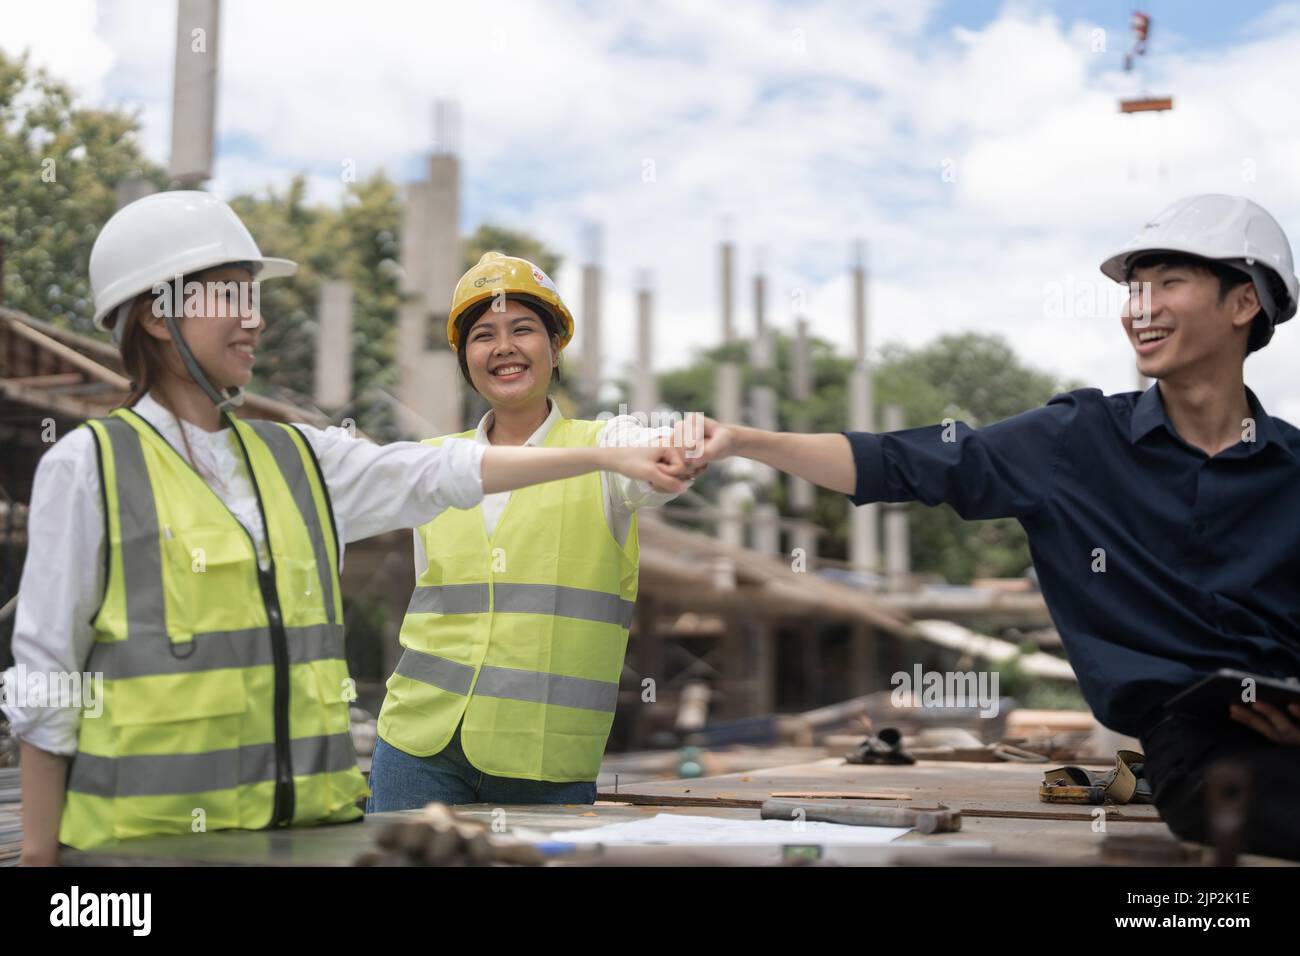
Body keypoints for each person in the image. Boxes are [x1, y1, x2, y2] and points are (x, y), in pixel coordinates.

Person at [1, 193, 687, 864]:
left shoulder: (301, 459)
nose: (256, 322)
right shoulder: (88, 468)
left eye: (255, 301)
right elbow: (45, 677)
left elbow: (436, 472)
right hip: (143, 843)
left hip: (299, 833)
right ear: (159, 316)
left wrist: (607, 452)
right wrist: (38, 854)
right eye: (234, 298)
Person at [687, 194, 1300, 861]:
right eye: (1135, 290)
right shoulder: (1074, 443)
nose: (1139, 309)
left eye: (1169, 285)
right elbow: (896, 463)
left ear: (1243, 304)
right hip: (1202, 751)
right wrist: (743, 440)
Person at [367, 252, 705, 810]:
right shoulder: (432, 463)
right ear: (464, 358)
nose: (503, 346)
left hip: (543, 758)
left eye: (522, 329)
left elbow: (649, 467)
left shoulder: (604, 447)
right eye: (482, 335)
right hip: (417, 747)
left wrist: (673, 456)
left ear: (555, 349)